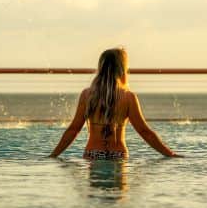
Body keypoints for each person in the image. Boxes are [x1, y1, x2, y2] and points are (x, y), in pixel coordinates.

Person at [49, 47, 181, 159]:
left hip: (93, 154)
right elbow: (144, 132)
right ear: (122, 69)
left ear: (100, 67)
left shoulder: (87, 95)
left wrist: (53, 155)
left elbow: (73, 130)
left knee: (95, 189)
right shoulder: (128, 97)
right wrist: (170, 154)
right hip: (118, 154)